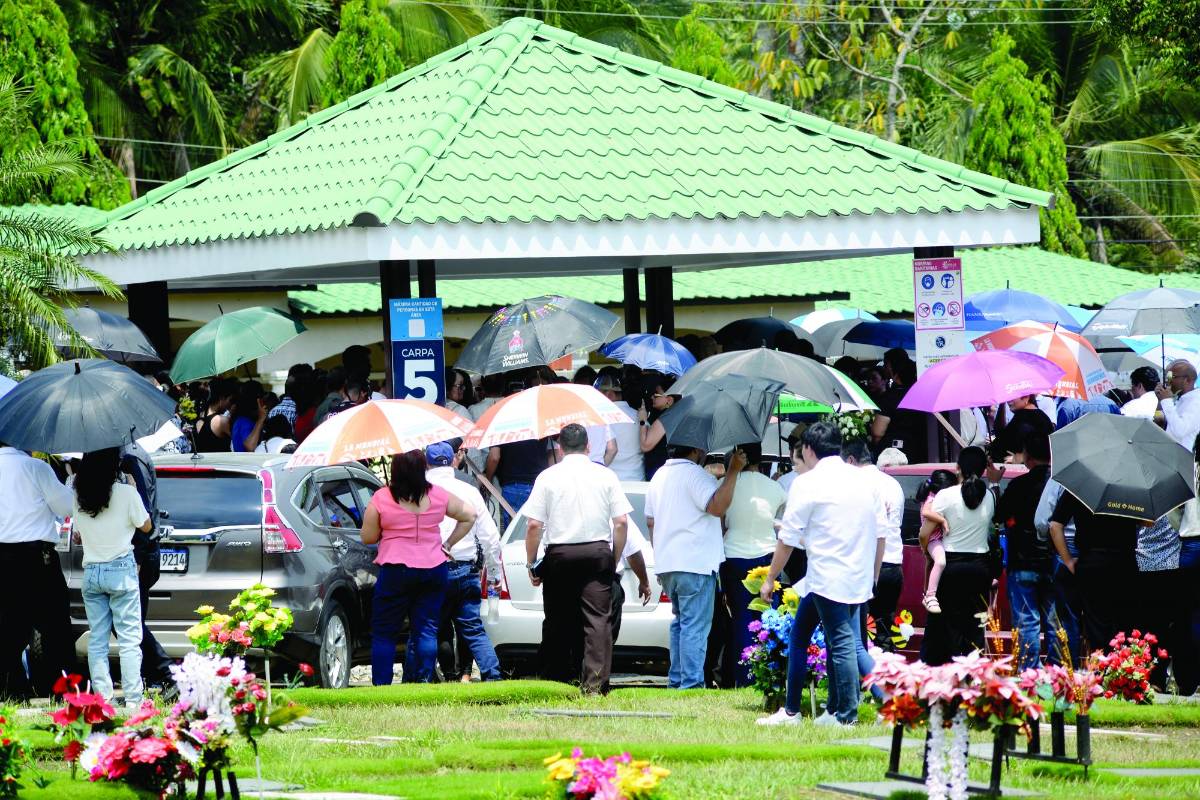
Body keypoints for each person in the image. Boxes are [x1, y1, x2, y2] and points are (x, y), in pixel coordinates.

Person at [757, 422, 882, 726]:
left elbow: (787, 537)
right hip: (853, 574)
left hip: (829, 576)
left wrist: (771, 577)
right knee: (804, 634)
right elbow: (880, 533)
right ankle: (801, 711)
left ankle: (846, 716)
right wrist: (872, 575)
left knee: (842, 643)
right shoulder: (864, 480)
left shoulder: (807, 483)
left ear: (809, 450)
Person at [522, 424, 631, 694]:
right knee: (598, 622)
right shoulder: (605, 475)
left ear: (559, 447)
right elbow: (620, 522)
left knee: (558, 619)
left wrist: (532, 562)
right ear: (589, 446)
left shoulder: (547, 477)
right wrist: (614, 556)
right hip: (597, 552)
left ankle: (558, 681)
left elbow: (534, 525)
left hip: (560, 553)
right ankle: (594, 685)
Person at [360, 451, 477, 685]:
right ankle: (423, 680)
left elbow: (368, 537)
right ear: (422, 468)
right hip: (433, 567)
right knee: (426, 629)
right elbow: (469, 514)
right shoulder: (437, 494)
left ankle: (381, 686)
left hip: (395, 568)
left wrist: (388, 528)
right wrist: (449, 544)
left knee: (385, 632)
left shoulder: (382, 497)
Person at [646, 443, 746, 689]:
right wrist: (732, 472)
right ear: (694, 450)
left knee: (681, 623)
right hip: (695, 562)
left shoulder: (659, 475)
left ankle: (678, 680)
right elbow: (717, 507)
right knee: (694, 626)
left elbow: (651, 521)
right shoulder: (695, 474)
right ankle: (690, 684)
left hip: (669, 561)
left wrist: (660, 556)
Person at [72, 448, 152, 708]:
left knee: (97, 640)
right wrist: (132, 488)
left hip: (92, 571)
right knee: (129, 640)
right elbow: (146, 526)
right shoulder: (126, 493)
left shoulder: (78, 495)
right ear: (114, 464)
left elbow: (79, 534)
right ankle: (133, 701)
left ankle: (103, 700)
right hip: (121, 571)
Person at [419, 442, 504, 683]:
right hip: (467, 570)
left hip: (433, 569)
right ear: (454, 460)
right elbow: (491, 538)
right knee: (473, 629)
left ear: (427, 463)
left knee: (433, 628)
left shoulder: (421, 492)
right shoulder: (469, 491)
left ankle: (441, 677)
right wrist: (494, 574)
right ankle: (493, 676)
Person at [0, 442, 78, 700]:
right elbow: (67, 507)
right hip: (37, 557)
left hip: (4, 556)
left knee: (8, 628)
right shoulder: (36, 468)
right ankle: (63, 690)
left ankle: (10, 690)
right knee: (55, 626)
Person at [919, 446, 996, 665]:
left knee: (944, 624)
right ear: (983, 470)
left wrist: (927, 551)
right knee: (974, 627)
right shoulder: (989, 496)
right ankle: (972, 674)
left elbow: (925, 533)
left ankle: (942, 673)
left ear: (957, 468)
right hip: (980, 566)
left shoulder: (945, 495)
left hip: (951, 566)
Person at [1048, 475, 1140, 655]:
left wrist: (1067, 560)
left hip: (1091, 562)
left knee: (1096, 626)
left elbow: (1054, 526)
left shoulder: (1080, 485)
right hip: (1125, 563)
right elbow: (1147, 522)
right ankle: (1122, 674)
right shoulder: (1131, 487)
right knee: (1124, 626)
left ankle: (1100, 672)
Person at [719, 443, 787, 686]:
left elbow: (722, 519)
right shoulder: (775, 487)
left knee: (740, 618)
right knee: (767, 617)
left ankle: (743, 676)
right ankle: (769, 673)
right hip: (767, 558)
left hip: (734, 556)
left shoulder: (726, 484)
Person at [996, 432, 1057, 670]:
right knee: (1054, 620)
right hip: (1052, 559)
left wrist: (994, 484)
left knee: (1027, 620)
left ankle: (1029, 672)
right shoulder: (1060, 485)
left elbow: (999, 515)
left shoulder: (1018, 485)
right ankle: (1058, 671)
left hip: (1022, 560)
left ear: (1028, 457)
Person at [119, 442, 175, 690]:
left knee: (128, 621)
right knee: (132, 620)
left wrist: (139, 557)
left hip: (138, 553)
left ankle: (165, 672)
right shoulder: (129, 453)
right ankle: (156, 676)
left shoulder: (130, 458)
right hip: (136, 552)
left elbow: (144, 516)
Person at [842, 440, 905, 651]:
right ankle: (887, 677)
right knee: (885, 628)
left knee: (860, 631)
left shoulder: (857, 483)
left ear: (850, 460)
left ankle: (869, 679)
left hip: (868, 565)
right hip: (894, 563)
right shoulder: (892, 483)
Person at [1035, 478, 1083, 665]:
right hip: (1100, 551)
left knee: (1067, 618)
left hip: (1064, 548)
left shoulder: (1062, 478)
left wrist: (1065, 557)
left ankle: (1066, 672)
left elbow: (1041, 521)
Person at [917, 470, 957, 614]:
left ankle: (926, 593)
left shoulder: (933, 496)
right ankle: (930, 596)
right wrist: (943, 520)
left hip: (935, 539)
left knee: (930, 563)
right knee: (940, 561)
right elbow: (926, 512)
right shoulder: (932, 498)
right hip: (933, 539)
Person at [594, 373, 643, 482]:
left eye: (598, 394)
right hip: (637, 480)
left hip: (608, 483)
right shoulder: (638, 416)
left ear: (610, 394)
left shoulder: (597, 418)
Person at [989, 395, 1053, 463]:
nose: (1009, 400)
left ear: (1026, 397)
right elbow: (1000, 434)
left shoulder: (1026, 418)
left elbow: (1043, 449)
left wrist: (1023, 457)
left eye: (1013, 396)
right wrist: (1002, 405)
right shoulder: (1023, 415)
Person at [638, 375, 676, 480]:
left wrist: (642, 421)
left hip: (659, 472)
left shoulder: (667, 416)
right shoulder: (678, 414)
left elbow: (645, 445)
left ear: (669, 400)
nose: (652, 397)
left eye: (656, 395)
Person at [1158, 359, 1200, 449]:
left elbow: (1180, 431)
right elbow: (1164, 424)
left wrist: (1166, 401)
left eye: (1171, 377)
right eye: (1167, 377)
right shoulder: (1182, 399)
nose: (1168, 381)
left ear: (1187, 380)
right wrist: (1160, 400)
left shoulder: (1196, 401)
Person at [193, 378, 236, 453]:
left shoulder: (201, 415)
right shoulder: (221, 421)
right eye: (230, 400)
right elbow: (241, 444)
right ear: (221, 398)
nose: (230, 404)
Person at [230, 381, 268, 453]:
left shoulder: (247, 420)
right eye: (262, 398)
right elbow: (250, 446)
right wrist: (260, 419)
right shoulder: (243, 421)